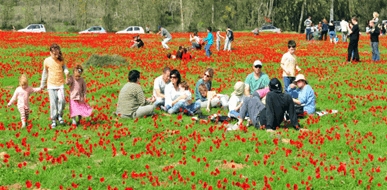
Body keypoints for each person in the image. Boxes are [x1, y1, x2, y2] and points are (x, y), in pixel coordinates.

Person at [40, 43, 69, 128]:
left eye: (58, 54)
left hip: (60, 84)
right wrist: (42, 84)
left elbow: (64, 67)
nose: (57, 56)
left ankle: (59, 115)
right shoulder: (47, 61)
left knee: (62, 100)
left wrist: (66, 72)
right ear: (50, 53)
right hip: (51, 85)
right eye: (54, 54)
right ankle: (53, 119)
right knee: (53, 103)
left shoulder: (61, 60)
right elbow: (44, 73)